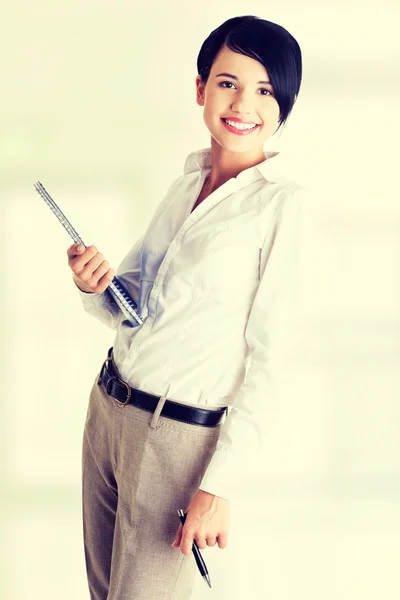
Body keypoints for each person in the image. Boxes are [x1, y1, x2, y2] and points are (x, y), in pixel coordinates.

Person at [67, 15, 306, 600]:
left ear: (283, 107)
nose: (243, 103)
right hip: (108, 409)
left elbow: (275, 361)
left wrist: (219, 486)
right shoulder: (187, 182)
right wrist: (94, 283)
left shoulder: (282, 209)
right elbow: (135, 303)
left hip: (178, 439)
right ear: (201, 90)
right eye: (228, 82)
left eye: (265, 89)